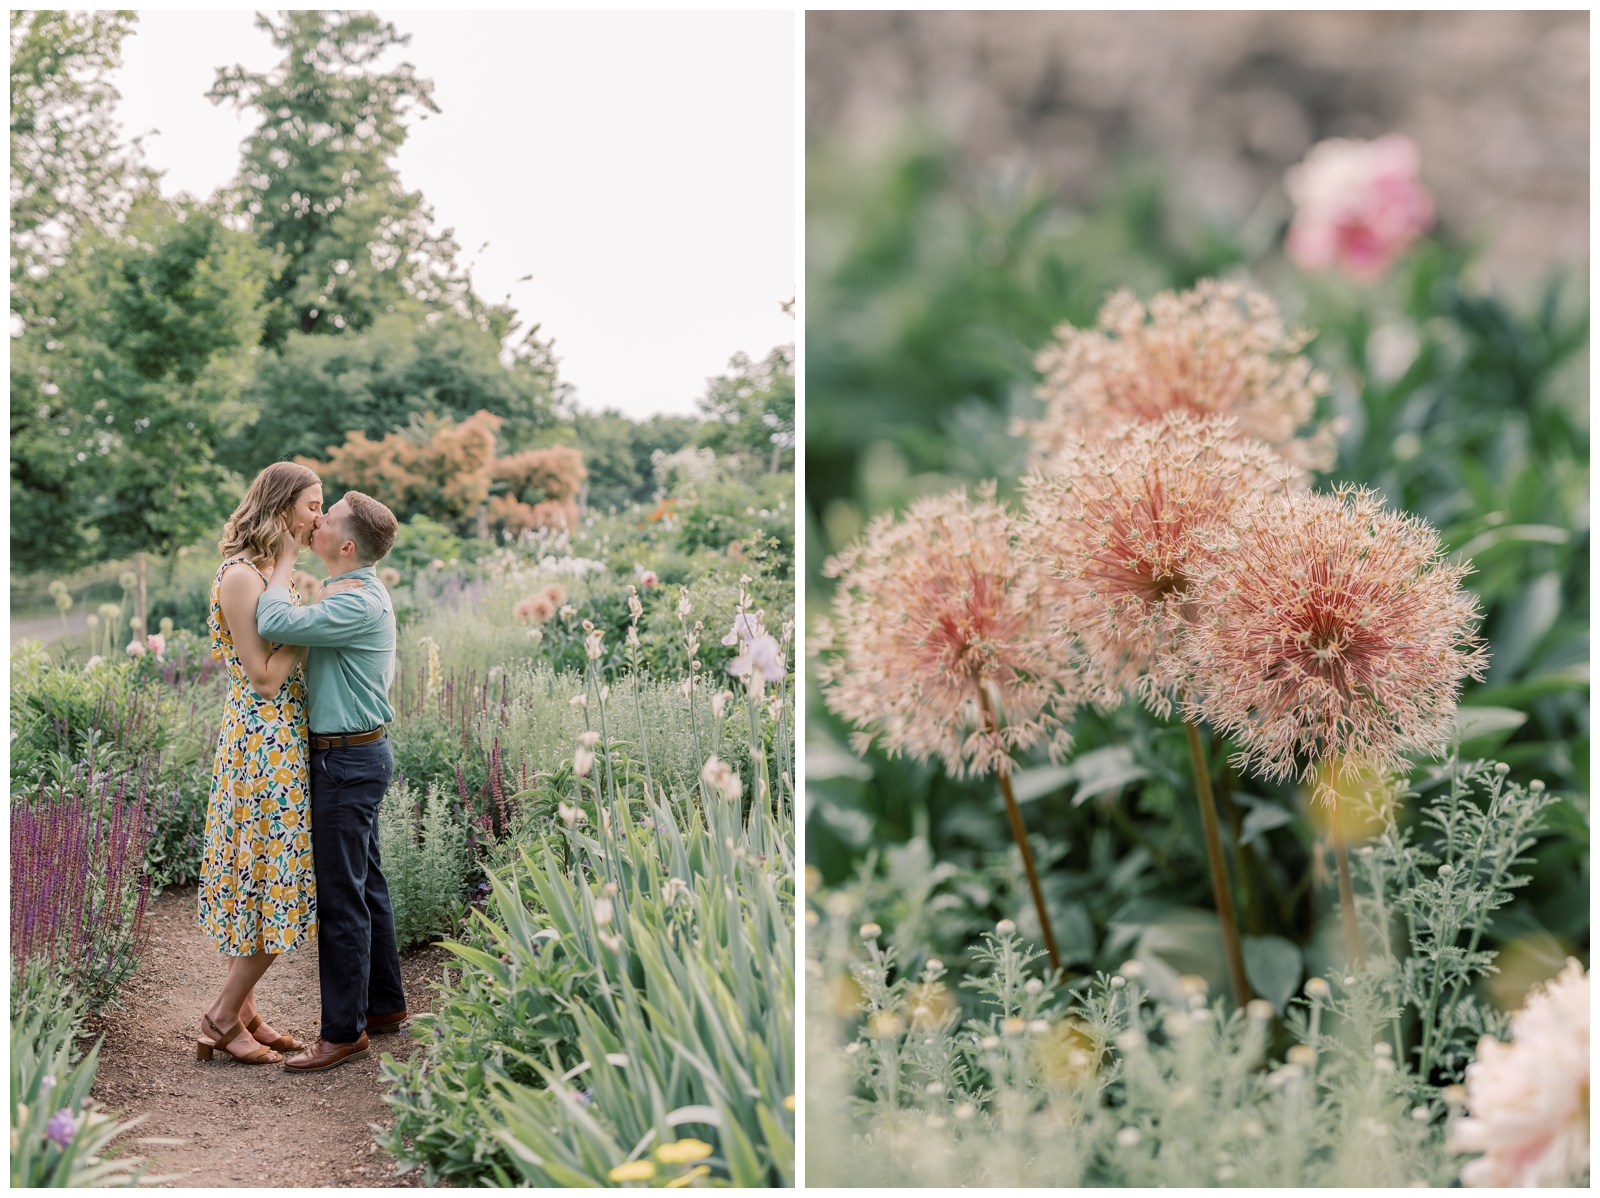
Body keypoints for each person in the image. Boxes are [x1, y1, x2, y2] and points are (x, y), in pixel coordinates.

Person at [256, 489, 407, 1072]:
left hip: (345, 763)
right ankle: (384, 1007)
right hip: (354, 758)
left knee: (343, 898)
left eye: (326, 519)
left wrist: (285, 557)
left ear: (345, 546)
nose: (313, 520)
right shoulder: (350, 590)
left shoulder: (355, 604)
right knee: (366, 883)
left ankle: (343, 1032)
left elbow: (272, 619)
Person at [196, 462, 328, 1064]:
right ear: (282, 512)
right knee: (275, 882)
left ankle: (245, 1013)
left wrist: (295, 584)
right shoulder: (243, 579)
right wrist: (313, 627)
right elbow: (266, 678)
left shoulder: (270, 575)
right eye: (311, 506)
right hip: (261, 746)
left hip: (275, 743)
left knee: (260, 880)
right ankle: (221, 1017)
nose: (318, 518)